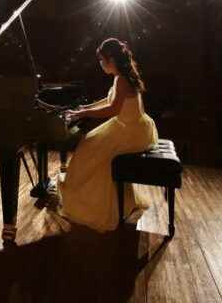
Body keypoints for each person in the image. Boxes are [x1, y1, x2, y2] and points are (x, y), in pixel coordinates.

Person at [58, 38, 158, 232]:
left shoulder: (121, 79)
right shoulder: (122, 76)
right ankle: (113, 199)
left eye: (102, 60)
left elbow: (113, 109)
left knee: (89, 148)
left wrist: (83, 113)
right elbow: (109, 99)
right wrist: (85, 107)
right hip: (134, 126)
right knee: (91, 145)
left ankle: (93, 203)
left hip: (130, 130)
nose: (101, 64)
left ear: (111, 58)